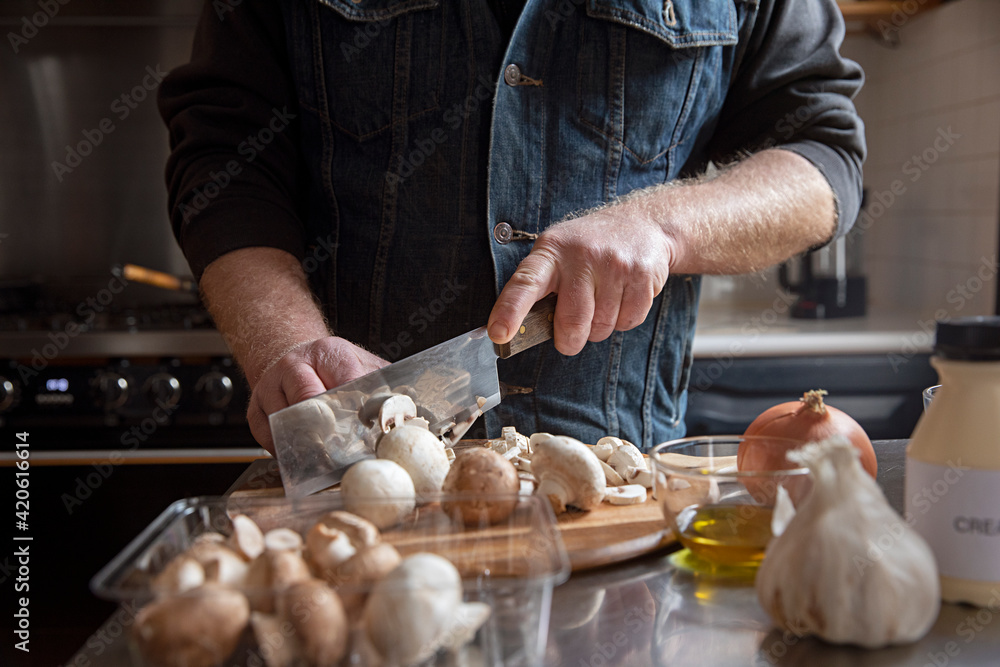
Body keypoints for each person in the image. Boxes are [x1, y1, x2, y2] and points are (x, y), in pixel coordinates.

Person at [158, 0, 865, 454]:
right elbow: (225, 159)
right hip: (363, 496)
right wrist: (288, 342)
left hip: (621, 499)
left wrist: (664, 224)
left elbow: (824, 157)